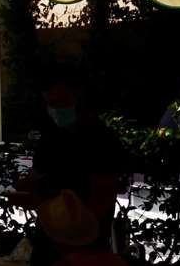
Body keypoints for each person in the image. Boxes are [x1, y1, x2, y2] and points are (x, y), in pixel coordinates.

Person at [10, 70, 127, 228]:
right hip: (47, 240)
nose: (56, 109)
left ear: (80, 96)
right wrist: (27, 190)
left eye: (62, 102)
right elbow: (35, 184)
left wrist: (43, 202)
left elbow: (98, 207)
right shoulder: (49, 139)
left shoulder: (103, 141)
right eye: (50, 104)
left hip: (87, 243)